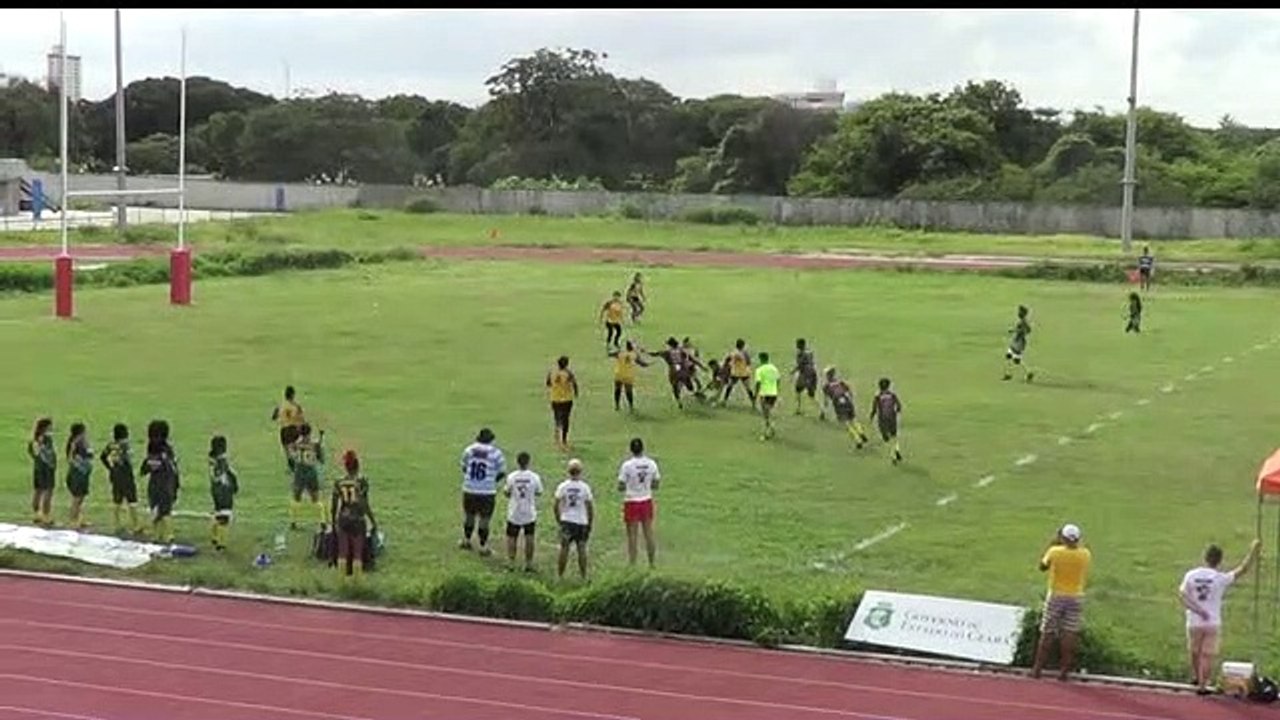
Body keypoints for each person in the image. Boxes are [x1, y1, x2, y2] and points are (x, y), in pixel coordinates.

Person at [1179, 539, 1262, 695]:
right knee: (1207, 655)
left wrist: (1196, 609)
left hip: (1194, 621)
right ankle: (1203, 685)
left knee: (1194, 651)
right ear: (1220, 560)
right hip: (1212, 621)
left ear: (1204, 557)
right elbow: (1242, 570)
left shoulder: (1191, 575)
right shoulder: (1219, 578)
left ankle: (1196, 677)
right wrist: (1253, 551)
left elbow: (1182, 594)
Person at [1032, 523, 1093, 681]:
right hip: (1076, 596)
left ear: (1063, 538)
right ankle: (1064, 671)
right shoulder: (1085, 554)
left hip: (1056, 595)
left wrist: (1053, 543)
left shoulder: (1055, 552)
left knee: (1048, 631)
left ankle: (1037, 669)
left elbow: (1042, 566)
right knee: (1069, 633)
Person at [332, 450, 377, 581]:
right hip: (357, 518)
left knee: (343, 551)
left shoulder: (338, 482)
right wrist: (372, 521)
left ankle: (341, 581)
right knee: (357, 552)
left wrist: (334, 520)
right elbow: (364, 503)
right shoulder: (362, 482)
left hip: (343, 518)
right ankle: (357, 582)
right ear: (358, 466)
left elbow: (334, 504)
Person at [460, 427, 506, 556]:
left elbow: (464, 466)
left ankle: (467, 540)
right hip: (487, 492)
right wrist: (491, 480)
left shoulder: (469, 450)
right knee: (484, 519)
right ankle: (483, 546)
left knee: (469, 516)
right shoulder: (496, 453)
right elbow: (502, 472)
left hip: (469, 489)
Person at [618, 437, 661, 568]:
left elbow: (621, 485)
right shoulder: (651, 463)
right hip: (646, 500)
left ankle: (632, 564)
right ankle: (652, 562)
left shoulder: (627, 465)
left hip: (631, 501)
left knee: (632, 535)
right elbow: (656, 483)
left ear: (631, 450)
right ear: (643, 448)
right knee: (649, 533)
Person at [139, 419, 180, 544]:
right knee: (165, 512)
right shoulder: (167, 450)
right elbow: (172, 468)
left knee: (156, 510)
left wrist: (144, 470)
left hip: (155, 485)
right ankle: (168, 535)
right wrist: (176, 484)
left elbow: (146, 467)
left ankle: (157, 535)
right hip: (167, 484)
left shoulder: (151, 448)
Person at [554, 458, 594, 580]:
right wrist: (590, 522)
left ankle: (560, 576)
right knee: (581, 549)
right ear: (580, 471)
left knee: (564, 548)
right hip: (581, 521)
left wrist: (559, 519)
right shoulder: (585, 487)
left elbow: (556, 505)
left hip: (567, 520)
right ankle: (583, 576)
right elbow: (590, 507)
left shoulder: (563, 486)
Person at [503, 451, 543, 572]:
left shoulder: (512, 476)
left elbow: (506, 491)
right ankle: (528, 563)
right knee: (529, 537)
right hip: (529, 513)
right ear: (528, 462)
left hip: (514, 512)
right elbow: (539, 492)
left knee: (512, 537)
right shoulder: (534, 477)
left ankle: (511, 562)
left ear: (517, 462)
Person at [100, 423, 141, 534]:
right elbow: (128, 459)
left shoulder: (111, 445)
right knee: (132, 499)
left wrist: (110, 467)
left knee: (117, 498)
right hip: (125, 474)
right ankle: (135, 524)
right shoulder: (125, 445)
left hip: (115, 473)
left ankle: (116, 524)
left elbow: (102, 456)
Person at [288, 424, 327, 530]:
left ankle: (293, 521)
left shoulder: (295, 445)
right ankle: (322, 521)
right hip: (311, 473)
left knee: (296, 498)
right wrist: (320, 448)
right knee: (316, 498)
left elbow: (291, 457)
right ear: (310, 432)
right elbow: (322, 460)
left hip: (299, 472)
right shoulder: (314, 445)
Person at [648, 337, 702, 410]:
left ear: (670, 345)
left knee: (675, 388)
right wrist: (701, 366)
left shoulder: (667, 352)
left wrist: (646, 352)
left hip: (673, 370)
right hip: (682, 370)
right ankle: (695, 393)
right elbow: (691, 359)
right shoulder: (681, 351)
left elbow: (655, 354)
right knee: (689, 386)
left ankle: (679, 402)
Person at [822, 367, 870, 449]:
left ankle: (857, 440)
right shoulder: (840, 382)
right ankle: (861, 432)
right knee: (854, 419)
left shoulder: (826, 386)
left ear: (827, 376)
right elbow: (849, 390)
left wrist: (824, 409)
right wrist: (851, 398)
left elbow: (826, 400)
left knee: (847, 424)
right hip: (847, 401)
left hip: (838, 404)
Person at [208, 435, 239, 552]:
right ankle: (221, 544)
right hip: (224, 490)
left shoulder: (211, 458)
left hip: (215, 489)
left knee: (218, 512)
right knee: (224, 516)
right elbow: (229, 474)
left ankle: (214, 537)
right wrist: (235, 485)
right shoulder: (221, 460)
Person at [546, 355, 580, 451]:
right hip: (566, 399)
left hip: (555, 398)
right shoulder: (568, 373)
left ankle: (557, 437)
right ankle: (564, 440)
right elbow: (574, 383)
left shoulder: (551, 372)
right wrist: (576, 393)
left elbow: (548, 383)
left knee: (557, 418)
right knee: (566, 420)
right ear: (566, 364)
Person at [64, 422, 93, 530]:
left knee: (81, 498)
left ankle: (79, 519)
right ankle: (73, 520)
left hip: (83, 473)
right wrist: (79, 466)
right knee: (77, 498)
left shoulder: (83, 442)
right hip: (77, 474)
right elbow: (70, 458)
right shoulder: (75, 443)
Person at [28, 417, 56, 527]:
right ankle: (46, 515)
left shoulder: (35, 437)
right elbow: (48, 453)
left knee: (38, 490)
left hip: (38, 466)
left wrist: (36, 458)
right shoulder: (46, 438)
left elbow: (30, 449)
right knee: (48, 491)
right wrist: (51, 463)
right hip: (46, 467)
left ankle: (36, 514)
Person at [868, 377, 904, 464]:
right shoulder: (892, 394)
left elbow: (874, 407)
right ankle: (896, 450)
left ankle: (894, 455)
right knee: (894, 436)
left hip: (882, 419)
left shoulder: (878, 395)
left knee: (886, 437)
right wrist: (897, 412)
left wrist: (871, 416)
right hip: (892, 417)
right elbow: (899, 406)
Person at [271, 386, 306, 473]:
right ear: (293, 395)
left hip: (284, 430)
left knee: (287, 450)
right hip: (293, 429)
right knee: (295, 447)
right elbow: (302, 419)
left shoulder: (280, 406)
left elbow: (274, 417)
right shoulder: (296, 406)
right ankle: (297, 465)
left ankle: (292, 466)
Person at [609, 340, 650, 413]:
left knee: (617, 390)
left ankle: (617, 405)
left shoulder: (620, 353)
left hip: (619, 374)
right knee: (629, 392)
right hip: (628, 375)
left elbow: (610, 354)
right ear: (632, 346)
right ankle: (631, 407)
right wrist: (648, 364)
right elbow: (642, 364)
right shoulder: (634, 354)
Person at [753, 352, 782, 440]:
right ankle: (770, 429)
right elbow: (778, 380)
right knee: (768, 412)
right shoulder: (773, 368)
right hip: (773, 393)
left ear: (761, 359)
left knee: (766, 414)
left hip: (764, 393)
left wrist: (755, 394)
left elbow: (758, 383)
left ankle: (767, 432)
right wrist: (776, 389)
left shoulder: (759, 369)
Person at [1004, 305, 1035, 383]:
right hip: (1017, 341)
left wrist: (1013, 330)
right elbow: (1028, 330)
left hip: (1018, 342)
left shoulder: (1021, 322)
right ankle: (1008, 374)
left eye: (1019, 312)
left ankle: (1028, 372)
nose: (1018, 313)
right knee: (1009, 356)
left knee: (1016, 360)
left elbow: (1021, 330)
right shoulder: (1024, 321)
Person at [792, 338, 821, 416]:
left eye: (797, 344)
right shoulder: (809, 352)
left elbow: (800, 365)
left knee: (798, 390)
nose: (796, 346)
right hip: (812, 374)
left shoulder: (800, 354)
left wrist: (793, 371)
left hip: (805, 375)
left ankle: (798, 409)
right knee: (811, 394)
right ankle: (821, 410)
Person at [723, 339, 756, 407]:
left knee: (730, 387)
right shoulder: (745, 353)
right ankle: (753, 403)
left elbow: (727, 360)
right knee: (748, 388)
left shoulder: (733, 352)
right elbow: (748, 362)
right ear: (743, 345)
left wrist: (726, 366)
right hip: (744, 373)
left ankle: (724, 400)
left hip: (735, 373)